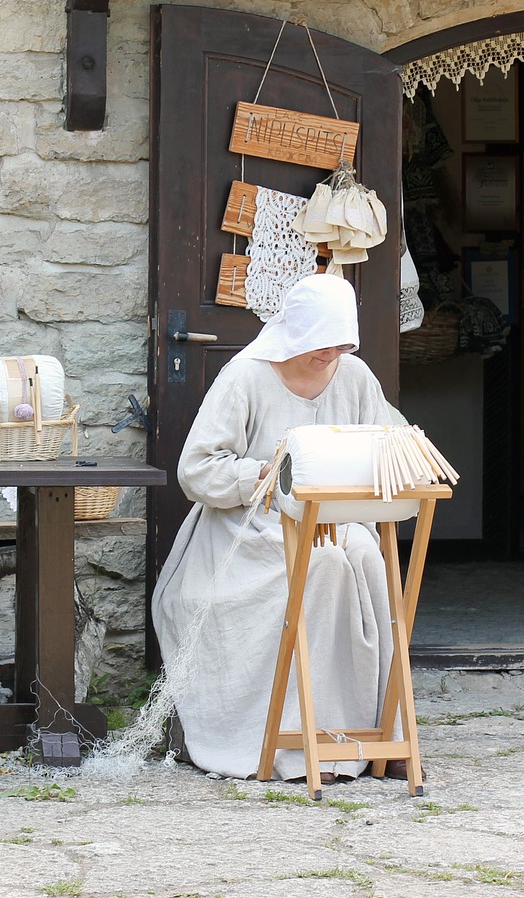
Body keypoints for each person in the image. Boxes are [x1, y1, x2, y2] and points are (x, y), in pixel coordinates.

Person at [151, 273, 399, 782]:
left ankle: (379, 735)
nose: (330, 354)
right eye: (321, 344)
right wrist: (256, 474)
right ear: (298, 331)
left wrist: (400, 459)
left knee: (367, 558)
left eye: (341, 344)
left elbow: (385, 441)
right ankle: (302, 739)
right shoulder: (246, 376)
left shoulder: (354, 377)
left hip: (333, 518)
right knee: (323, 564)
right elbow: (195, 470)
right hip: (249, 528)